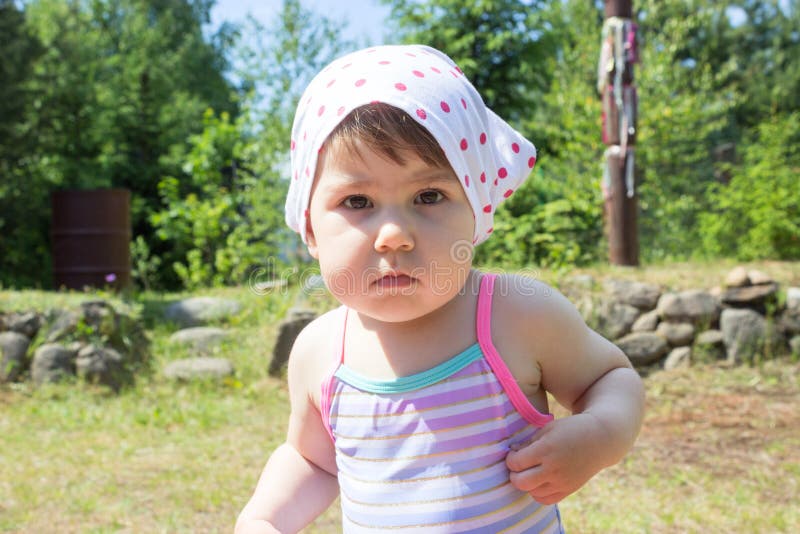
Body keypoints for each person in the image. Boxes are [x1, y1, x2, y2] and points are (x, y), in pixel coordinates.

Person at [236, 44, 645, 534]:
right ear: (309, 227)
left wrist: (598, 435)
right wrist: (264, 520)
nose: (394, 234)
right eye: (357, 200)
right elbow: (313, 460)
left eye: (429, 196)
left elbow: (610, 378)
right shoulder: (320, 352)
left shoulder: (514, 316)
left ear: (476, 210)